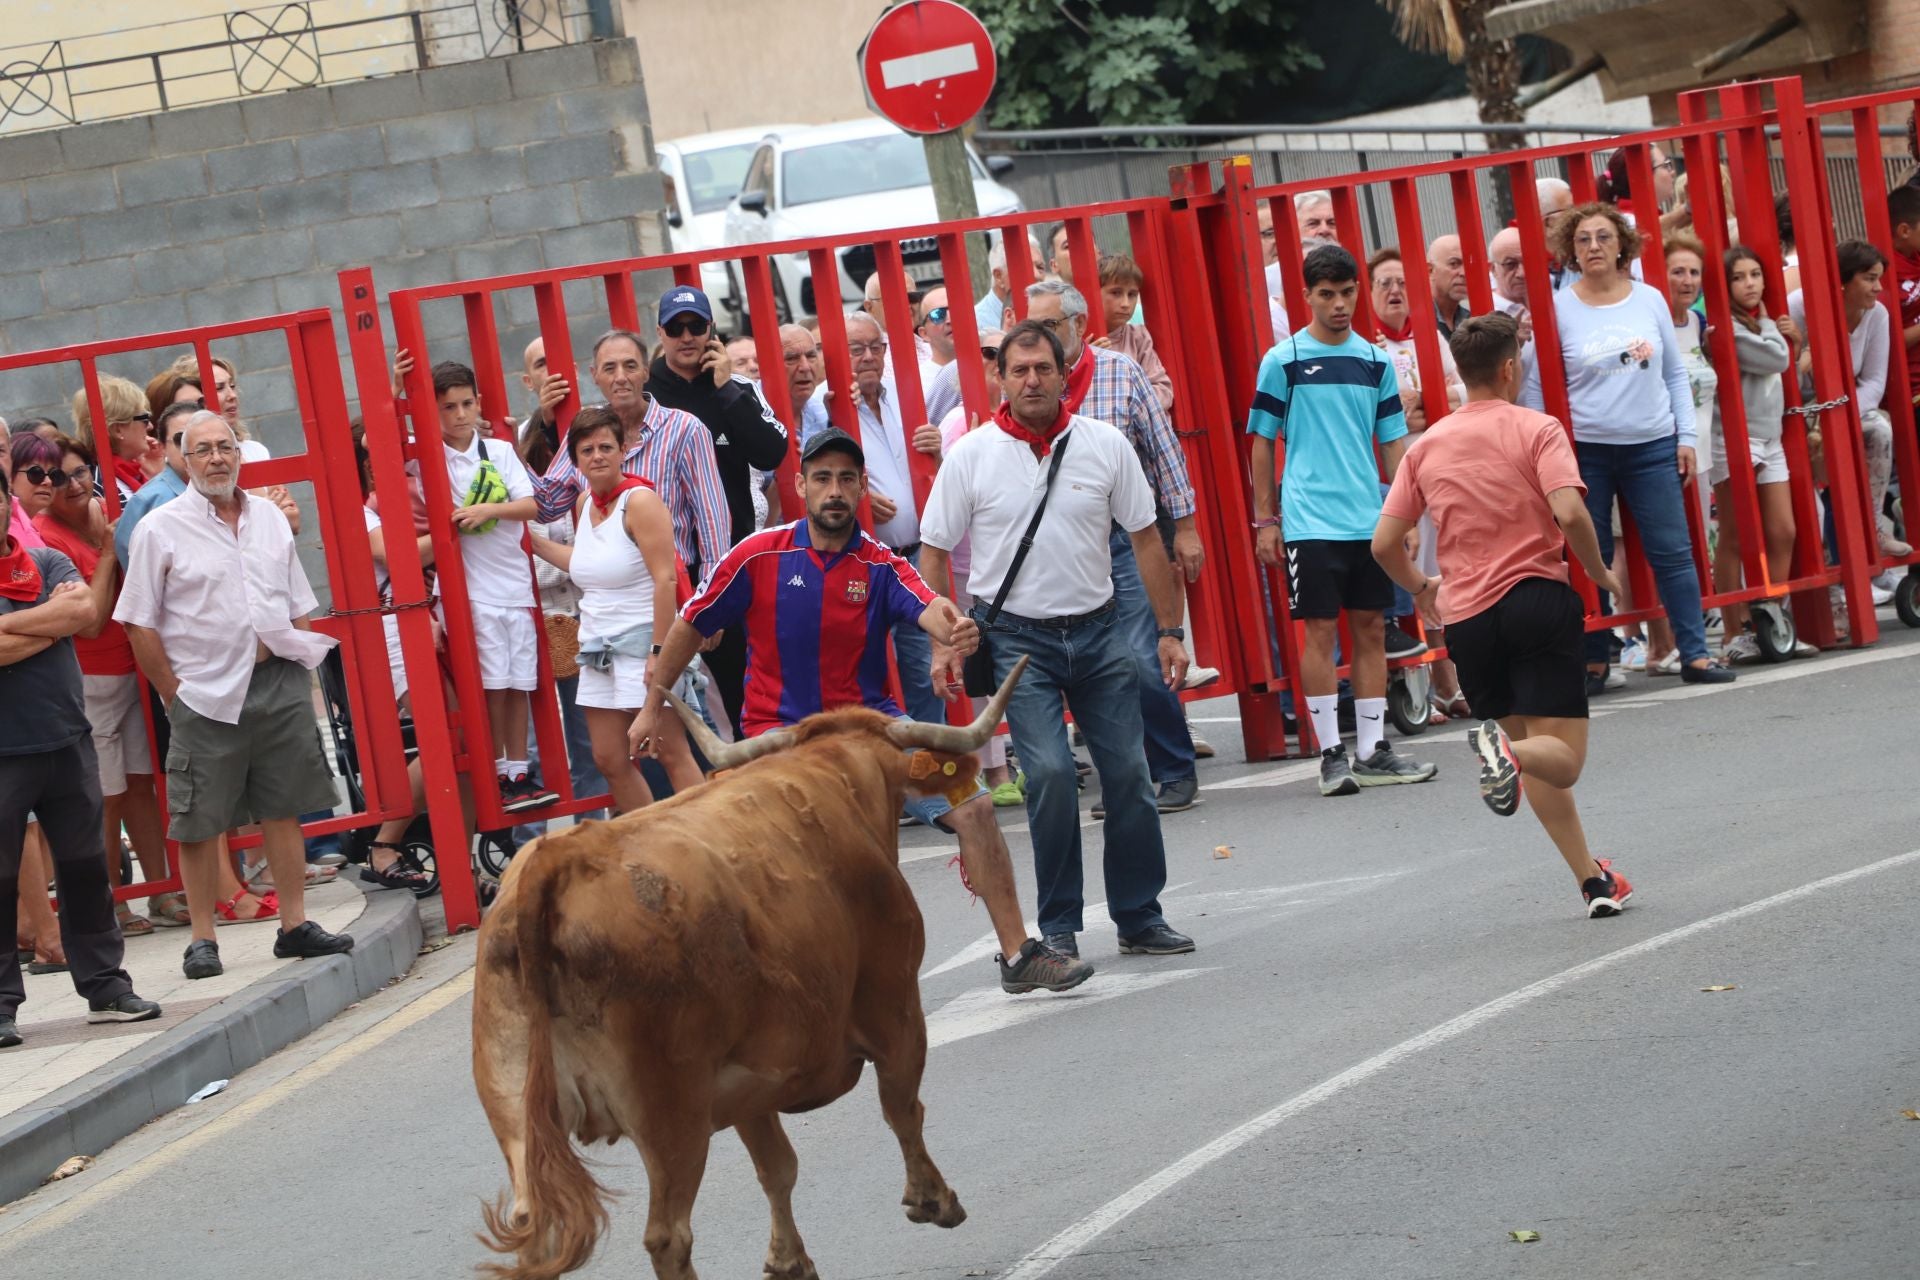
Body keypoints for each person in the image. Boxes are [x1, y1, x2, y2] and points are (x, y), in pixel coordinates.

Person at [634, 426, 1094, 994]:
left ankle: (1019, 953)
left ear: (861, 488)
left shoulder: (881, 564)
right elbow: (690, 623)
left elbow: (932, 606)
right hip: (778, 745)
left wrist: (954, 633)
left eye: (847, 479)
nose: (835, 490)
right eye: (823, 478)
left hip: (875, 738)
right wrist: (651, 706)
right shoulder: (757, 556)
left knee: (972, 807)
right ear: (800, 485)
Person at [919, 322, 1195, 960]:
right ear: (1001, 379)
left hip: (1099, 632)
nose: (1032, 381)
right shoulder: (972, 454)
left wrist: (1170, 631)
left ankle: (1138, 913)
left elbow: (1147, 539)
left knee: (1128, 772)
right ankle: (1061, 923)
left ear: (1063, 373)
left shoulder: (1104, 445)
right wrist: (943, 642)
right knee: (1046, 774)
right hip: (1017, 644)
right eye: (1019, 371)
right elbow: (932, 552)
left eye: (1043, 368)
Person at [1372, 313, 1636, 919]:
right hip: (1535, 598)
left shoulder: (1427, 445)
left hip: (1468, 619)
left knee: (1530, 753)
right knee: (1560, 760)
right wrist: (1597, 571)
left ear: (1462, 374)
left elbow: (1384, 542)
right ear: (1511, 367)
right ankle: (1507, 755)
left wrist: (1420, 588)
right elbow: (1570, 513)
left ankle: (1594, 882)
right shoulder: (1537, 429)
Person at [114, 411, 355, 979]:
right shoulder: (160, 527)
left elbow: (296, 598)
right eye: (203, 450)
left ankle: (294, 926)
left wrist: (301, 659)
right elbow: (138, 622)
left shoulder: (269, 517)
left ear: (238, 455)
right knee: (199, 819)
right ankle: (203, 939)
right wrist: (173, 695)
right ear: (183, 458)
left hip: (277, 681)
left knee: (284, 804)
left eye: (226, 447)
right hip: (204, 693)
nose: (217, 458)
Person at [1247, 244, 1438, 796]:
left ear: (1357, 291)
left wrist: (1403, 516)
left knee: (1373, 628)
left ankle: (1373, 749)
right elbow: (1260, 441)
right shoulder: (1282, 360)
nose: (1338, 303)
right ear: (1305, 296)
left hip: (1368, 520)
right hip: (1308, 518)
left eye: (1347, 292)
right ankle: (1332, 753)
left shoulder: (1375, 360)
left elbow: (1394, 443)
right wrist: (1266, 520)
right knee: (1321, 633)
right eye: (1326, 294)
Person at [1522, 202, 1735, 690]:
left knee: (1674, 551)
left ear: (1622, 245)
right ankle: (1594, 659)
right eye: (1582, 240)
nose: (1594, 247)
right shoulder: (1557, 306)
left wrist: (1684, 437)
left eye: (1603, 237)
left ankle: (1696, 654)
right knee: (1587, 554)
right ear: (1570, 252)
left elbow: (1675, 374)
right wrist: (1547, 453)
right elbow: (1537, 387)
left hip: (1652, 445)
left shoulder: (1650, 299)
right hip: (1586, 453)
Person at [1023, 280, 1206, 815]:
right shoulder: (1028, 384)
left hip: (1126, 540)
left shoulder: (1119, 373)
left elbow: (1164, 452)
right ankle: (1129, 780)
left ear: (1078, 326)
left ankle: (1173, 768)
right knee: (1091, 667)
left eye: (1050, 327)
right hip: (1062, 549)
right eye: (1031, 327)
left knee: (1142, 659)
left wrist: (1186, 527)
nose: (1039, 340)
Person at [0, 465, 162, 1048]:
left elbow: (86, 615)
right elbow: (65, 618)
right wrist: (50, 625)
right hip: (4, 754)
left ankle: (107, 987)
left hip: (68, 740)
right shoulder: (50, 580)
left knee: (87, 868)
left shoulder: (44, 563)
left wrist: (15, 628)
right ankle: (1, 1007)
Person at [31, 434, 173, 935]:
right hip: (91, 678)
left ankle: (161, 889)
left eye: (78, 472)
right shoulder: (46, 536)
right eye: (53, 476)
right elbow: (86, 623)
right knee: (106, 795)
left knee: (140, 786)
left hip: (131, 667)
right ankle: (111, 904)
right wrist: (110, 553)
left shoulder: (101, 509)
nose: (69, 484)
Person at [531, 408, 701, 815]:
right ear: (574, 459)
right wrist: (531, 542)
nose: (598, 456)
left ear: (624, 449)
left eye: (606, 446)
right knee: (608, 757)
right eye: (586, 449)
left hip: (642, 641)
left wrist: (660, 653)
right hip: (596, 647)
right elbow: (589, 562)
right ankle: (652, 843)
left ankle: (711, 842)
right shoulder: (586, 501)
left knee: (669, 751)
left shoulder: (639, 500)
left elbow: (665, 580)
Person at [644, 288, 790, 734]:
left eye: (696, 326)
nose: (686, 337)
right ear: (661, 334)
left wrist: (727, 390)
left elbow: (773, 452)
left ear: (712, 331)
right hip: (662, 573)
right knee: (667, 702)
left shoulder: (738, 387)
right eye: (675, 328)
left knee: (748, 694)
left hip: (732, 565)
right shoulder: (645, 393)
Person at [799, 310, 945, 727]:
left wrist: (936, 450)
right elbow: (810, 471)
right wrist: (858, 495)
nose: (867, 357)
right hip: (857, 562)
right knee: (864, 674)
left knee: (922, 666)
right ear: (833, 354)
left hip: (914, 556)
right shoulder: (823, 405)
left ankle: (928, 773)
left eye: (875, 347)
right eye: (855, 349)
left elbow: (931, 464)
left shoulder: (906, 392)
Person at [421, 361, 554, 811]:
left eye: (466, 403)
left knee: (519, 682)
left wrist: (488, 512)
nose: (459, 414)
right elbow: (369, 442)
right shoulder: (427, 459)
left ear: (478, 402)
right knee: (492, 685)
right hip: (470, 589)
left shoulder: (497, 450)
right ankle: (495, 770)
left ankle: (519, 770)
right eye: (447, 407)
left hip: (513, 581)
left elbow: (531, 505)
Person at [531, 330, 731, 621]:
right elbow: (547, 505)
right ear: (594, 375)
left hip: (672, 588)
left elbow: (712, 519)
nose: (621, 377)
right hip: (607, 598)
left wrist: (710, 599)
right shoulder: (584, 430)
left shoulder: (685, 429)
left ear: (646, 372)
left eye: (630, 365)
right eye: (609, 368)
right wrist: (501, 450)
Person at [933, 330, 1021, 806]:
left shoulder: (1026, 419)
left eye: (998, 355)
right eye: (984, 353)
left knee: (1024, 665)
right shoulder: (954, 424)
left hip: (1019, 565)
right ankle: (995, 766)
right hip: (972, 569)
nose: (992, 363)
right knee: (982, 669)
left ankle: (1026, 757)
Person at [1790, 241, 1904, 565]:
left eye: (1879, 278)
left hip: (1845, 406)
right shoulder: (1799, 306)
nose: (1878, 288)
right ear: (1843, 280)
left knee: (1880, 429)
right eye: (1869, 278)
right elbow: (1785, 380)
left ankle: (1875, 529)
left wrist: (1838, 414)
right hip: (1798, 411)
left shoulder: (1877, 315)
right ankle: (1824, 563)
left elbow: (1875, 382)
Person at [1714, 245, 1802, 663]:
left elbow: (1785, 361)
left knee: (1782, 530)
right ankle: (1733, 631)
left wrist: (1791, 338)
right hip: (1734, 437)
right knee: (1733, 534)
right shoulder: (1726, 328)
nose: (1749, 284)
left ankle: (1772, 617)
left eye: (1755, 275)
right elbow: (1775, 358)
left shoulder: (1758, 324)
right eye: (1738, 277)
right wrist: (1774, 327)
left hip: (1769, 435)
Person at [1094, 253, 1175, 412]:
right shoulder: (1078, 340)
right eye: (1116, 293)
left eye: (1132, 295)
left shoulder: (1138, 337)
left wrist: (1127, 407)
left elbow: (1164, 391)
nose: (1126, 304)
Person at [70, 376, 158, 506]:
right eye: (144, 419)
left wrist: (158, 472)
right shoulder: (97, 484)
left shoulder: (137, 472)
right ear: (117, 430)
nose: (150, 426)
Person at [1889, 186, 1920, 413]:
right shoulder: (1884, 272)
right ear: (1904, 230)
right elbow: (1890, 341)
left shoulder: (1915, 254)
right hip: (1911, 386)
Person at [1427, 235, 1471, 337]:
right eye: (1454, 264)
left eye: (1468, 264)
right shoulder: (1413, 322)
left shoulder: (1472, 320)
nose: (1464, 273)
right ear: (1430, 270)